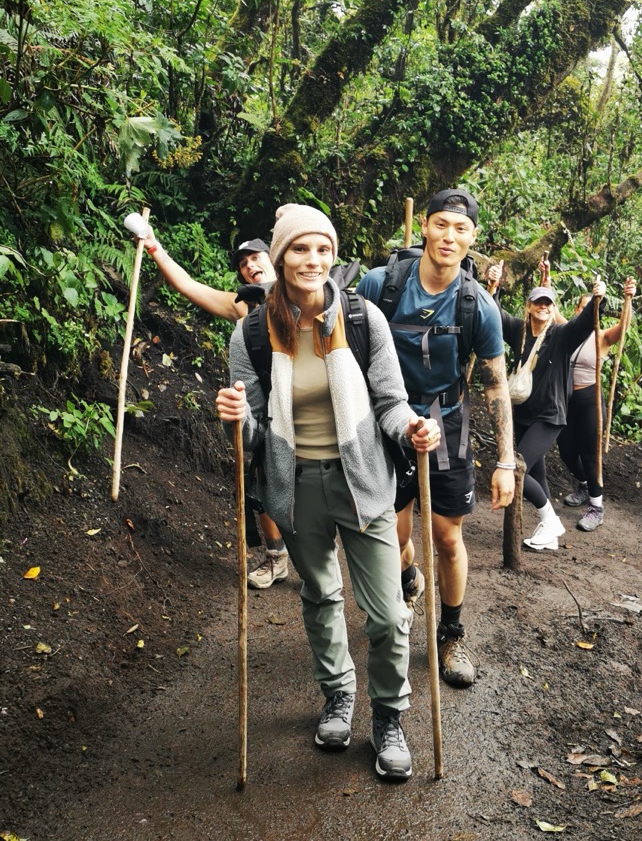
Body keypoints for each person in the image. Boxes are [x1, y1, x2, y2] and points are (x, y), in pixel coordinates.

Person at [215, 204, 440, 781]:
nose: (312, 260)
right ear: (280, 258)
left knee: (389, 614)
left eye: (322, 249)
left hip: (362, 481)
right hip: (294, 486)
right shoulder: (252, 332)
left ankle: (388, 716)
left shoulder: (364, 320)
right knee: (320, 595)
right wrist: (237, 420)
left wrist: (413, 428)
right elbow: (258, 432)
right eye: (299, 249)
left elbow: (390, 403)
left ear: (332, 255)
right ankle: (338, 695)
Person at [357, 189, 516, 689]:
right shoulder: (380, 286)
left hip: (446, 422)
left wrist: (506, 460)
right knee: (394, 539)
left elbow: (494, 383)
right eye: (442, 225)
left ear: (473, 239)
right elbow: (347, 353)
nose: (450, 236)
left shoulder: (478, 305)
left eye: (461, 229)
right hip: (387, 421)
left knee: (447, 538)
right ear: (425, 227)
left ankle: (451, 634)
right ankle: (407, 582)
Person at [139, 226, 290, 589]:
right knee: (260, 483)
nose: (250, 265)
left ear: (275, 258)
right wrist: (155, 247)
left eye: (256, 257)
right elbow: (190, 286)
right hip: (261, 410)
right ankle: (277, 557)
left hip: (302, 408)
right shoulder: (243, 306)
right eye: (243, 263)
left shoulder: (302, 293)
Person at [493, 276, 608, 551]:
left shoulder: (560, 335)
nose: (543, 307)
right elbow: (494, 315)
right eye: (538, 302)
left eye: (548, 303)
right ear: (529, 306)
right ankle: (549, 533)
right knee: (537, 474)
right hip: (521, 413)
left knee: (516, 467)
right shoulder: (519, 331)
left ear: (552, 307)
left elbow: (583, 324)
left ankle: (551, 520)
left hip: (548, 414)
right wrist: (494, 287)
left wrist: (597, 300)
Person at [539, 262, 636, 532]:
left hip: (589, 402)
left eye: (592, 307)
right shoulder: (566, 330)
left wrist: (628, 296)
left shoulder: (602, 337)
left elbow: (623, 326)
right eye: (583, 308)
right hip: (565, 402)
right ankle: (582, 484)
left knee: (590, 455)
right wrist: (545, 276)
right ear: (576, 311)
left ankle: (596, 505)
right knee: (567, 453)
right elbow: (550, 308)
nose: (586, 312)